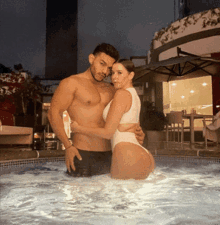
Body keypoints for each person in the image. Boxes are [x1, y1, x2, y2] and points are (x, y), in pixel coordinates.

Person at [48, 43, 145, 177]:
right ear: (91, 59)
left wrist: (138, 131)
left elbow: (125, 114)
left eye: (110, 68)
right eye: (102, 64)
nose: (105, 71)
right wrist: (68, 146)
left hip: (111, 154)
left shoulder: (111, 89)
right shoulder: (71, 83)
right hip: (82, 153)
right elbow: (54, 113)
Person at [71, 59, 155, 180]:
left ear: (131, 75)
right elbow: (137, 129)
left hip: (126, 155)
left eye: (119, 73)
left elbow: (108, 133)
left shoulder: (121, 94)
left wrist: (78, 128)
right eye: (113, 73)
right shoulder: (134, 95)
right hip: (139, 153)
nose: (114, 77)